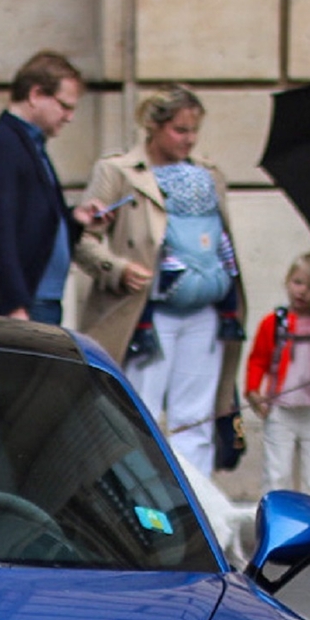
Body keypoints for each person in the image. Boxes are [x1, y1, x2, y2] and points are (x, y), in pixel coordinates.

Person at [71, 85, 244, 474]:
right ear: (154, 126)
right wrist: (116, 269)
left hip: (205, 309)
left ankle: (198, 506)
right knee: (137, 413)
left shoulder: (209, 173)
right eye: (180, 130)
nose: (189, 139)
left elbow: (221, 239)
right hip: (144, 312)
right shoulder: (117, 171)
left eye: (193, 130)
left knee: (195, 419)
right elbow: (82, 238)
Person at [0, 51, 109, 324]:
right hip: (25, 304)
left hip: (42, 299)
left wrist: (75, 219)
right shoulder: (2, 143)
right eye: (65, 106)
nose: (69, 117)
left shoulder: (30, 144)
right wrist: (14, 306)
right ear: (35, 95)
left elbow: (35, 225)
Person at [246, 251, 310, 501]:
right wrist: (253, 391)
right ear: (288, 281)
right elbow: (258, 359)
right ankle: (275, 522)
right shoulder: (274, 323)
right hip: (280, 411)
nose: (302, 292)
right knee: (277, 473)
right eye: (298, 282)